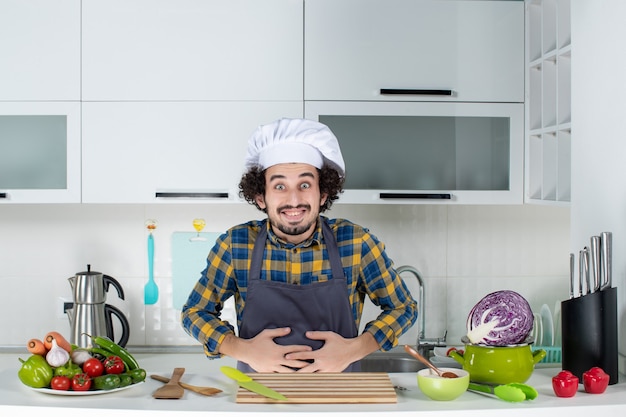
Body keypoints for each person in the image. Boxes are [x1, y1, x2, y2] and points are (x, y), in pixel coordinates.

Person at [181, 118, 417, 373]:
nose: (294, 200)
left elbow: (403, 308)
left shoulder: (356, 242)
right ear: (261, 197)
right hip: (258, 397)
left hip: (340, 398)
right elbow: (194, 312)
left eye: (305, 185)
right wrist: (243, 350)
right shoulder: (235, 245)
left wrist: (354, 350)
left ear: (322, 194)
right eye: (280, 186)